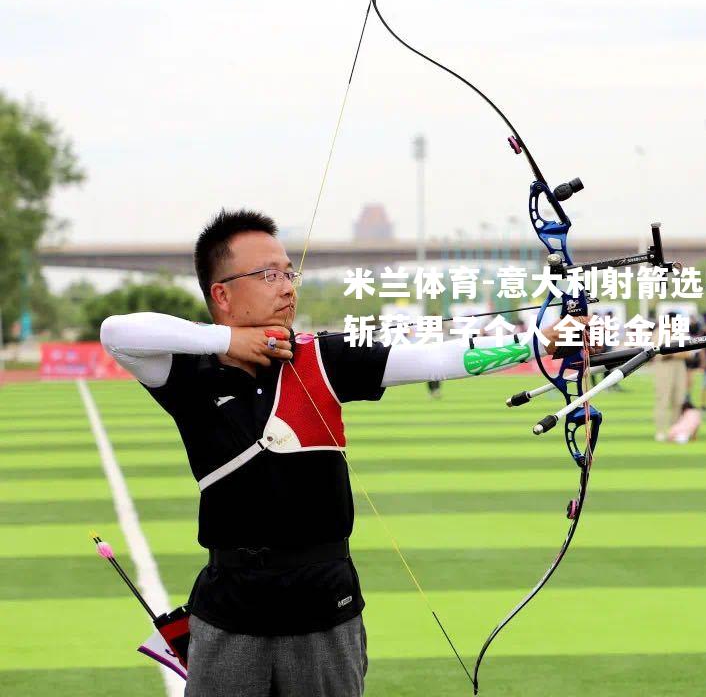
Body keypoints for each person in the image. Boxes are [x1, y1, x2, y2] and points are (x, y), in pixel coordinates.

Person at [99, 210, 594, 697]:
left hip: (324, 606)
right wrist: (228, 340)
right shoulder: (190, 374)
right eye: (268, 274)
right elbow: (116, 333)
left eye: (289, 272)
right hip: (230, 609)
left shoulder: (322, 356)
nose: (288, 286)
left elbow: (437, 357)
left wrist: (541, 341)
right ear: (222, 294)